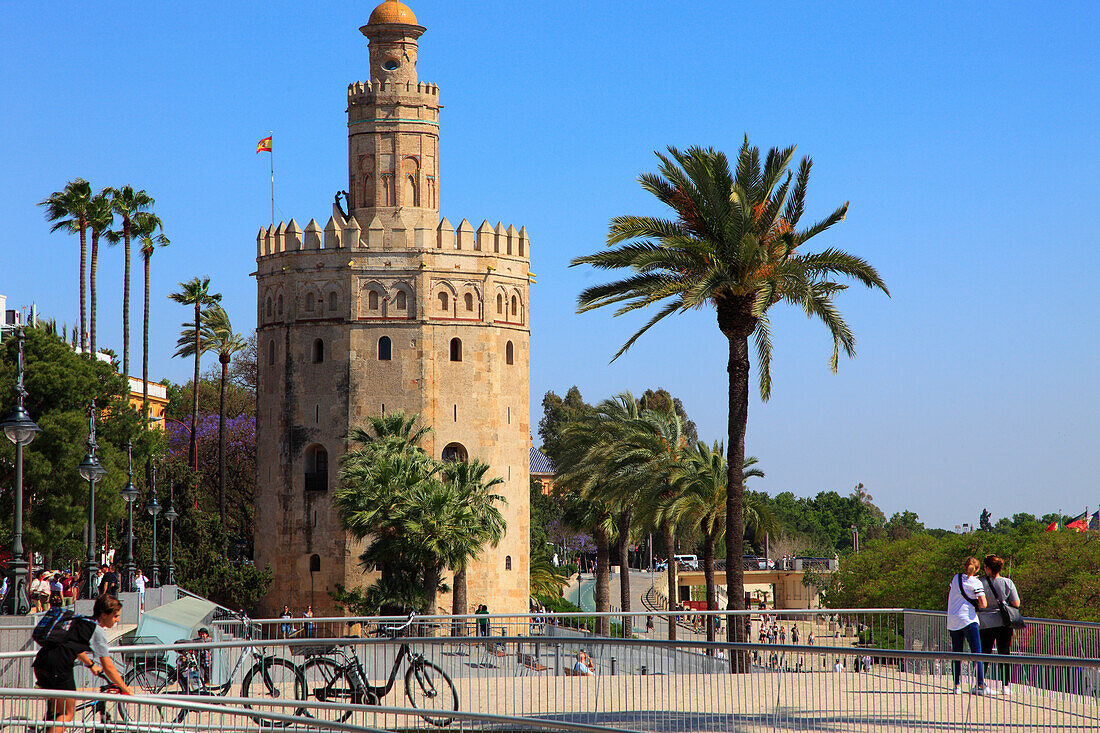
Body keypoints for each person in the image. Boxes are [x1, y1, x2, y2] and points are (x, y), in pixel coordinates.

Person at [33, 594, 132, 733]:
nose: (118, 619)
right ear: (104, 614)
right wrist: (125, 689)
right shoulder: (96, 630)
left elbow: (74, 647)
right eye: (115, 616)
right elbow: (108, 666)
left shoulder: (81, 621)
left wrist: (91, 665)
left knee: (54, 713)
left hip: (42, 662)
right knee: (67, 714)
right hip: (59, 666)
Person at [978, 554, 1021, 695]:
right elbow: (1016, 603)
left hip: (985, 622)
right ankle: (1006, 685)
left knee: (984, 654)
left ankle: (980, 683)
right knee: (1004, 653)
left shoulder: (980, 582)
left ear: (988, 568)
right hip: (1004, 623)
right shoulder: (1007, 582)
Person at [947, 556, 988, 695]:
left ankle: (956, 685)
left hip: (953, 621)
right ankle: (980, 685)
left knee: (957, 653)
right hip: (969, 620)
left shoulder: (956, 578)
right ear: (977, 569)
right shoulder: (976, 583)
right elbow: (983, 604)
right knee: (977, 653)